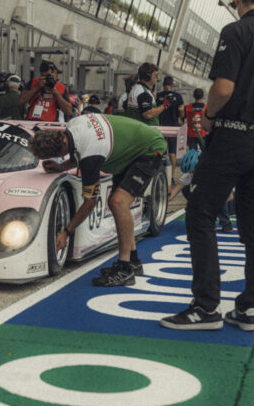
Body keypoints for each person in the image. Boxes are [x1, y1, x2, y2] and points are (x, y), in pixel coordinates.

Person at [160, 0, 254, 332]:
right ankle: (249, 308)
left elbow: (222, 89)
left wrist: (208, 118)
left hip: (230, 138)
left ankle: (206, 307)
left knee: (201, 215)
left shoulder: (235, 31)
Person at [31, 114, 166, 286]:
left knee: (118, 202)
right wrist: (61, 167)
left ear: (61, 145)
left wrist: (67, 232)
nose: (61, 158)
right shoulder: (72, 126)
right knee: (116, 202)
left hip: (150, 149)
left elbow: (90, 203)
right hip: (131, 147)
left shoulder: (90, 156)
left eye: (59, 155)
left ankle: (125, 269)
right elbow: (77, 151)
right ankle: (133, 261)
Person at [157, 75, 184, 185]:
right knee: (172, 153)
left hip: (161, 126)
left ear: (163, 85)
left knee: (160, 151)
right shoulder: (178, 96)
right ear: (172, 85)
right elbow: (182, 112)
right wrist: (179, 118)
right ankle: (171, 177)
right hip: (173, 127)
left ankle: (159, 174)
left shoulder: (158, 96)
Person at [122, 62, 168, 126]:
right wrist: (164, 106)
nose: (157, 78)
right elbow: (148, 114)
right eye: (155, 75)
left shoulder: (136, 89)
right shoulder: (144, 93)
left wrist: (150, 99)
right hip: (145, 131)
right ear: (147, 77)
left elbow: (125, 105)